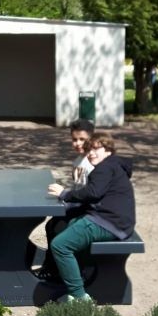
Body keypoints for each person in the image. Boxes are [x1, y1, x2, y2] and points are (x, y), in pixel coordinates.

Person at [47, 132, 136, 302]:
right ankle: (76, 275)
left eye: (96, 148)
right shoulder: (114, 166)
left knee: (60, 245)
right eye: (89, 150)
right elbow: (97, 196)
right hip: (118, 221)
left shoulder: (105, 167)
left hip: (109, 223)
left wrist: (65, 194)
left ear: (108, 150)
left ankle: (79, 297)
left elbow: (93, 193)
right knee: (69, 224)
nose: (91, 153)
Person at [34, 118, 95, 281]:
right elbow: (78, 190)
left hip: (90, 212)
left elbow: (88, 194)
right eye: (74, 139)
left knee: (58, 226)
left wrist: (66, 198)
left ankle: (56, 269)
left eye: (82, 139)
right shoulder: (78, 161)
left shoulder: (91, 163)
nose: (77, 143)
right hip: (80, 206)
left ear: (91, 138)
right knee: (52, 224)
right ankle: (53, 266)